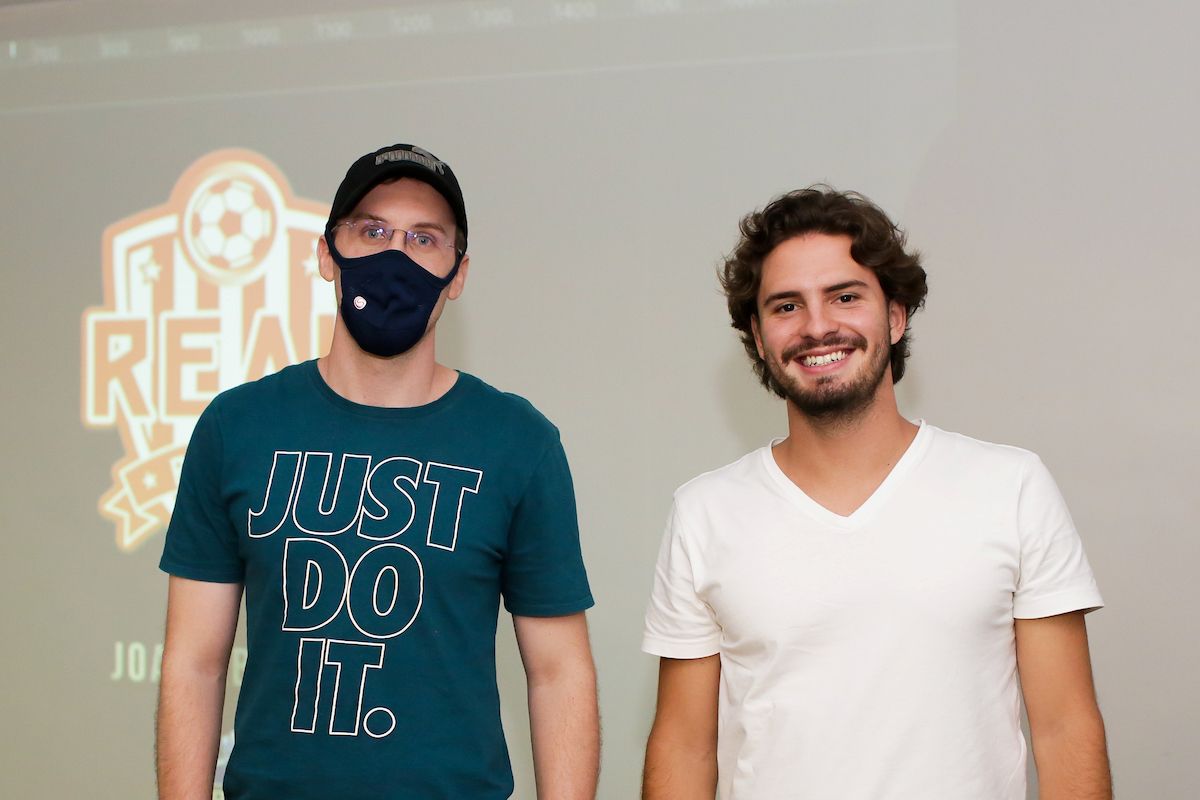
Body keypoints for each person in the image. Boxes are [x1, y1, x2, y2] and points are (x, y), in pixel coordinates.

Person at [156, 143, 599, 800]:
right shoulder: (238, 426)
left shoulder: (517, 442)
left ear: (458, 273)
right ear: (326, 252)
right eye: (372, 231)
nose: (396, 256)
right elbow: (193, 662)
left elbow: (559, 673)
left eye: (425, 238)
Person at [641, 186, 1110, 799]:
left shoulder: (1011, 487)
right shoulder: (704, 513)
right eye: (786, 306)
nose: (817, 326)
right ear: (757, 337)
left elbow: (1065, 729)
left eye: (844, 296)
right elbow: (684, 747)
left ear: (895, 314)